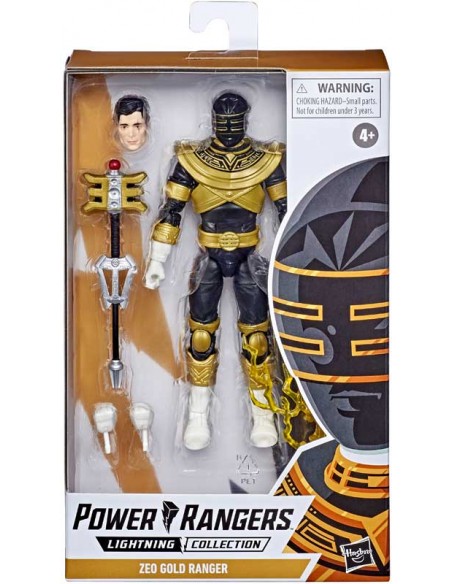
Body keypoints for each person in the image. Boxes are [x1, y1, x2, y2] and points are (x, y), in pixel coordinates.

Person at [144, 92, 287, 451]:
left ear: (245, 120)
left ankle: (263, 416)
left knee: (257, 339)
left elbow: (286, 213)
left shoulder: (268, 159)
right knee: (200, 337)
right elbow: (172, 210)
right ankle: (197, 417)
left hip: (249, 256)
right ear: (212, 120)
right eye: (223, 121)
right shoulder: (189, 159)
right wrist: (157, 260)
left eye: (235, 120)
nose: (229, 127)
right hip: (208, 255)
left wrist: (297, 263)